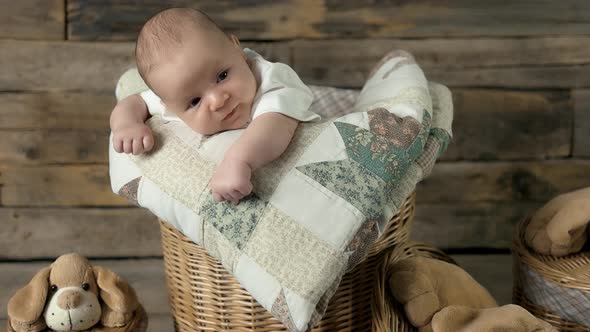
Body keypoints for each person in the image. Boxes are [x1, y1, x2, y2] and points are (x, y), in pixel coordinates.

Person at [110, 8, 319, 205]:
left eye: (222, 76)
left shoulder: (272, 79)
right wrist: (127, 124)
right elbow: (134, 101)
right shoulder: (174, 95)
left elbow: (274, 125)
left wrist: (239, 161)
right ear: (168, 104)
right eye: (195, 101)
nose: (218, 100)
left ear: (236, 48)